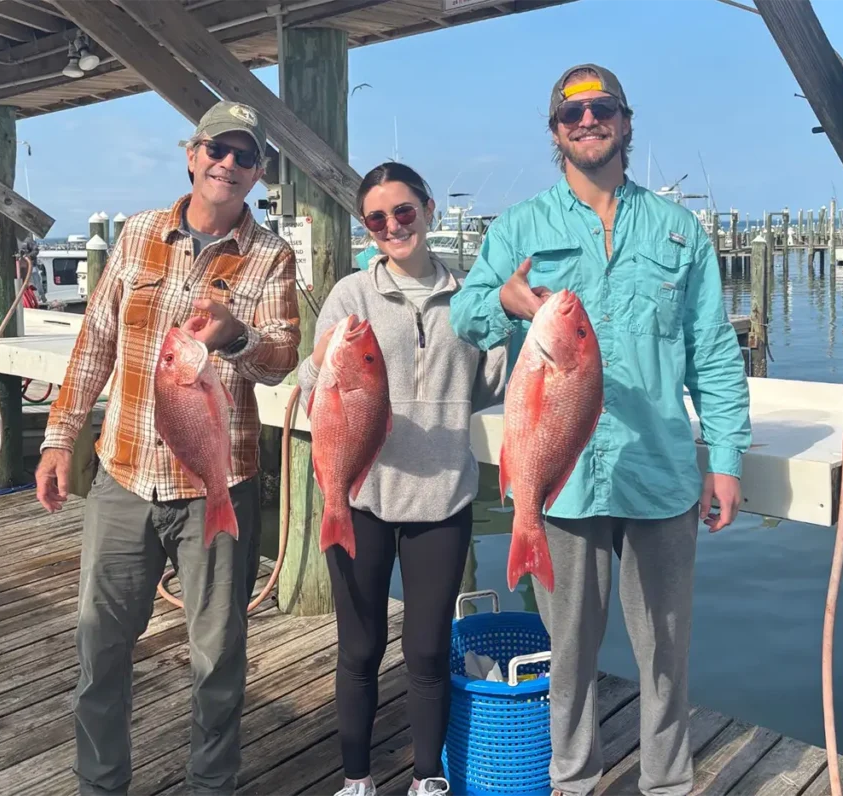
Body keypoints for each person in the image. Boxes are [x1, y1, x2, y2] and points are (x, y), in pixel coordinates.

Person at [449, 64, 751, 796]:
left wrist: (728, 457)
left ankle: (668, 784)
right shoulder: (521, 226)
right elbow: (465, 316)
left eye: (601, 109)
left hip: (660, 472)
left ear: (625, 120)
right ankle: (573, 780)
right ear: (555, 132)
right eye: (570, 114)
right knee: (569, 651)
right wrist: (510, 302)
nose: (587, 121)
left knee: (666, 651)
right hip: (560, 479)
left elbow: (711, 348)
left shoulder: (679, 230)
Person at [35, 99, 302, 796]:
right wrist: (61, 438)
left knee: (218, 659)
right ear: (192, 154)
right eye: (218, 149)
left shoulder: (272, 256)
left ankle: (212, 785)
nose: (229, 165)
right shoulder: (139, 232)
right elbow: (95, 341)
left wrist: (235, 335)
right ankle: (100, 784)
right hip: (123, 477)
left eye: (245, 157)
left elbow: (279, 359)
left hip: (219, 485)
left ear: (260, 173)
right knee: (101, 649)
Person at [295, 161, 507, 796]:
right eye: (378, 218)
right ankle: (356, 779)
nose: (393, 226)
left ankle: (427, 776)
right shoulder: (349, 296)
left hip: (441, 497)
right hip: (358, 495)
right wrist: (318, 363)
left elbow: (490, 385)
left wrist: (515, 326)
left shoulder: (468, 296)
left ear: (429, 209)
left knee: (425, 651)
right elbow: (313, 390)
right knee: (358, 650)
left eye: (404, 212)